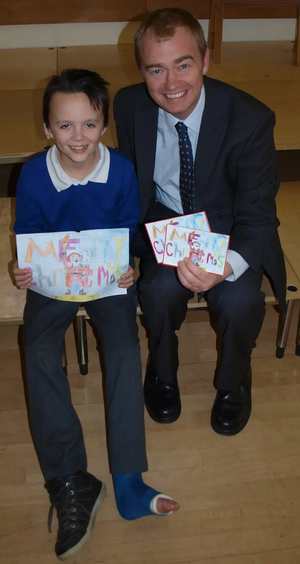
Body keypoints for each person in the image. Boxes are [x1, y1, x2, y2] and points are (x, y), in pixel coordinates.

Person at [13, 69, 179, 561]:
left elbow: (128, 233)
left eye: (89, 124)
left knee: (126, 348)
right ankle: (69, 479)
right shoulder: (32, 174)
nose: (78, 137)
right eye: (64, 126)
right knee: (38, 348)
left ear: (104, 124)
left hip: (106, 280)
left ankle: (128, 480)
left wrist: (129, 267)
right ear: (47, 129)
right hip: (53, 282)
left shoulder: (123, 170)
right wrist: (20, 270)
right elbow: (28, 237)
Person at [113, 8, 286, 434]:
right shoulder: (130, 105)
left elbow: (259, 214)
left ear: (205, 61)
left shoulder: (251, 119)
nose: (171, 85)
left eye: (183, 65)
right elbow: (129, 186)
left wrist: (224, 266)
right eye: (156, 70)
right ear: (142, 71)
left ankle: (234, 383)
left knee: (240, 301)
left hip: (230, 228)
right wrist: (126, 251)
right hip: (166, 221)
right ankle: (162, 371)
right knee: (155, 289)